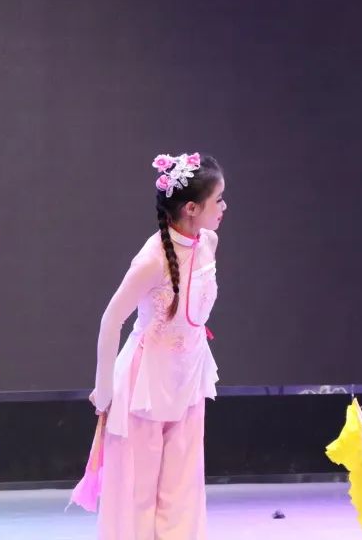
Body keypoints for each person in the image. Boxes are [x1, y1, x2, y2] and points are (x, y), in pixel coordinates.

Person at [91, 152, 227, 540]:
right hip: (144, 385)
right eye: (218, 199)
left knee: (183, 489)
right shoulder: (151, 260)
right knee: (137, 492)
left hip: (188, 376)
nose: (224, 207)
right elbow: (111, 320)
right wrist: (104, 392)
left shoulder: (208, 243)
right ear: (191, 208)